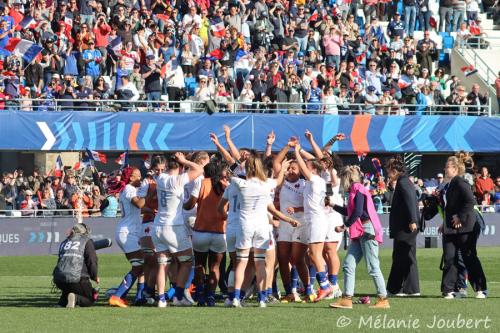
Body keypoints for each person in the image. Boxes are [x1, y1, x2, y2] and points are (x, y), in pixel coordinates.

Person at [329, 165, 389, 309]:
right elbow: (351, 211)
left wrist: (345, 226)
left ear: (346, 178)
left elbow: (356, 212)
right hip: (360, 230)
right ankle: (347, 298)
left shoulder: (357, 188)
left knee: (373, 266)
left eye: (342, 178)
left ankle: (383, 299)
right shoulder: (355, 190)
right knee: (348, 264)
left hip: (367, 229)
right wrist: (332, 205)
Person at [153, 153, 203, 308]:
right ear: (181, 167)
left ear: (167, 166)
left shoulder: (160, 178)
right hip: (173, 227)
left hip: (158, 227)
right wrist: (186, 160)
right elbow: (199, 169)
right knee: (187, 261)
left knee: (163, 264)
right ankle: (178, 296)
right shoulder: (178, 180)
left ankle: (161, 299)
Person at [440, 153, 488, 299]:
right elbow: (449, 207)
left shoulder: (460, 182)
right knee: (449, 257)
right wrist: (445, 222)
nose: (445, 169)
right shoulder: (447, 185)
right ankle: (448, 290)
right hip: (450, 227)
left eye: (448, 166)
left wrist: (459, 216)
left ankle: (481, 289)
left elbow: (470, 202)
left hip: (467, 226)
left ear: (455, 169)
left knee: (469, 257)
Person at [109, 167, 146, 308]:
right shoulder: (130, 189)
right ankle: (117, 296)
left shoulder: (130, 189)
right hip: (127, 233)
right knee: (139, 266)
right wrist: (148, 193)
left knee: (141, 266)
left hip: (129, 231)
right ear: (131, 178)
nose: (141, 179)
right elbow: (140, 203)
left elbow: (140, 208)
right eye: (138, 176)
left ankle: (137, 297)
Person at [385, 156, 421, 297]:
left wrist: (412, 220)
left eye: (388, 170)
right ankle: (407, 289)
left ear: (394, 170)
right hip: (405, 226)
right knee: (404, 256)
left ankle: (399, 289)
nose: (387, 173)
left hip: (406, 227)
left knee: (403, 257)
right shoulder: (403, 181)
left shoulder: (404, 182)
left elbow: (411, 201)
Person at [53, 223, 99, 308]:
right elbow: (92, 261)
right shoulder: (86, 241)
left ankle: (62, 302)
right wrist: (94, 276)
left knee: (68, 290)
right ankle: (76, 298)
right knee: (90, 299)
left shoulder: (64, 242)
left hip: (59, 279)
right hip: (77, 279)